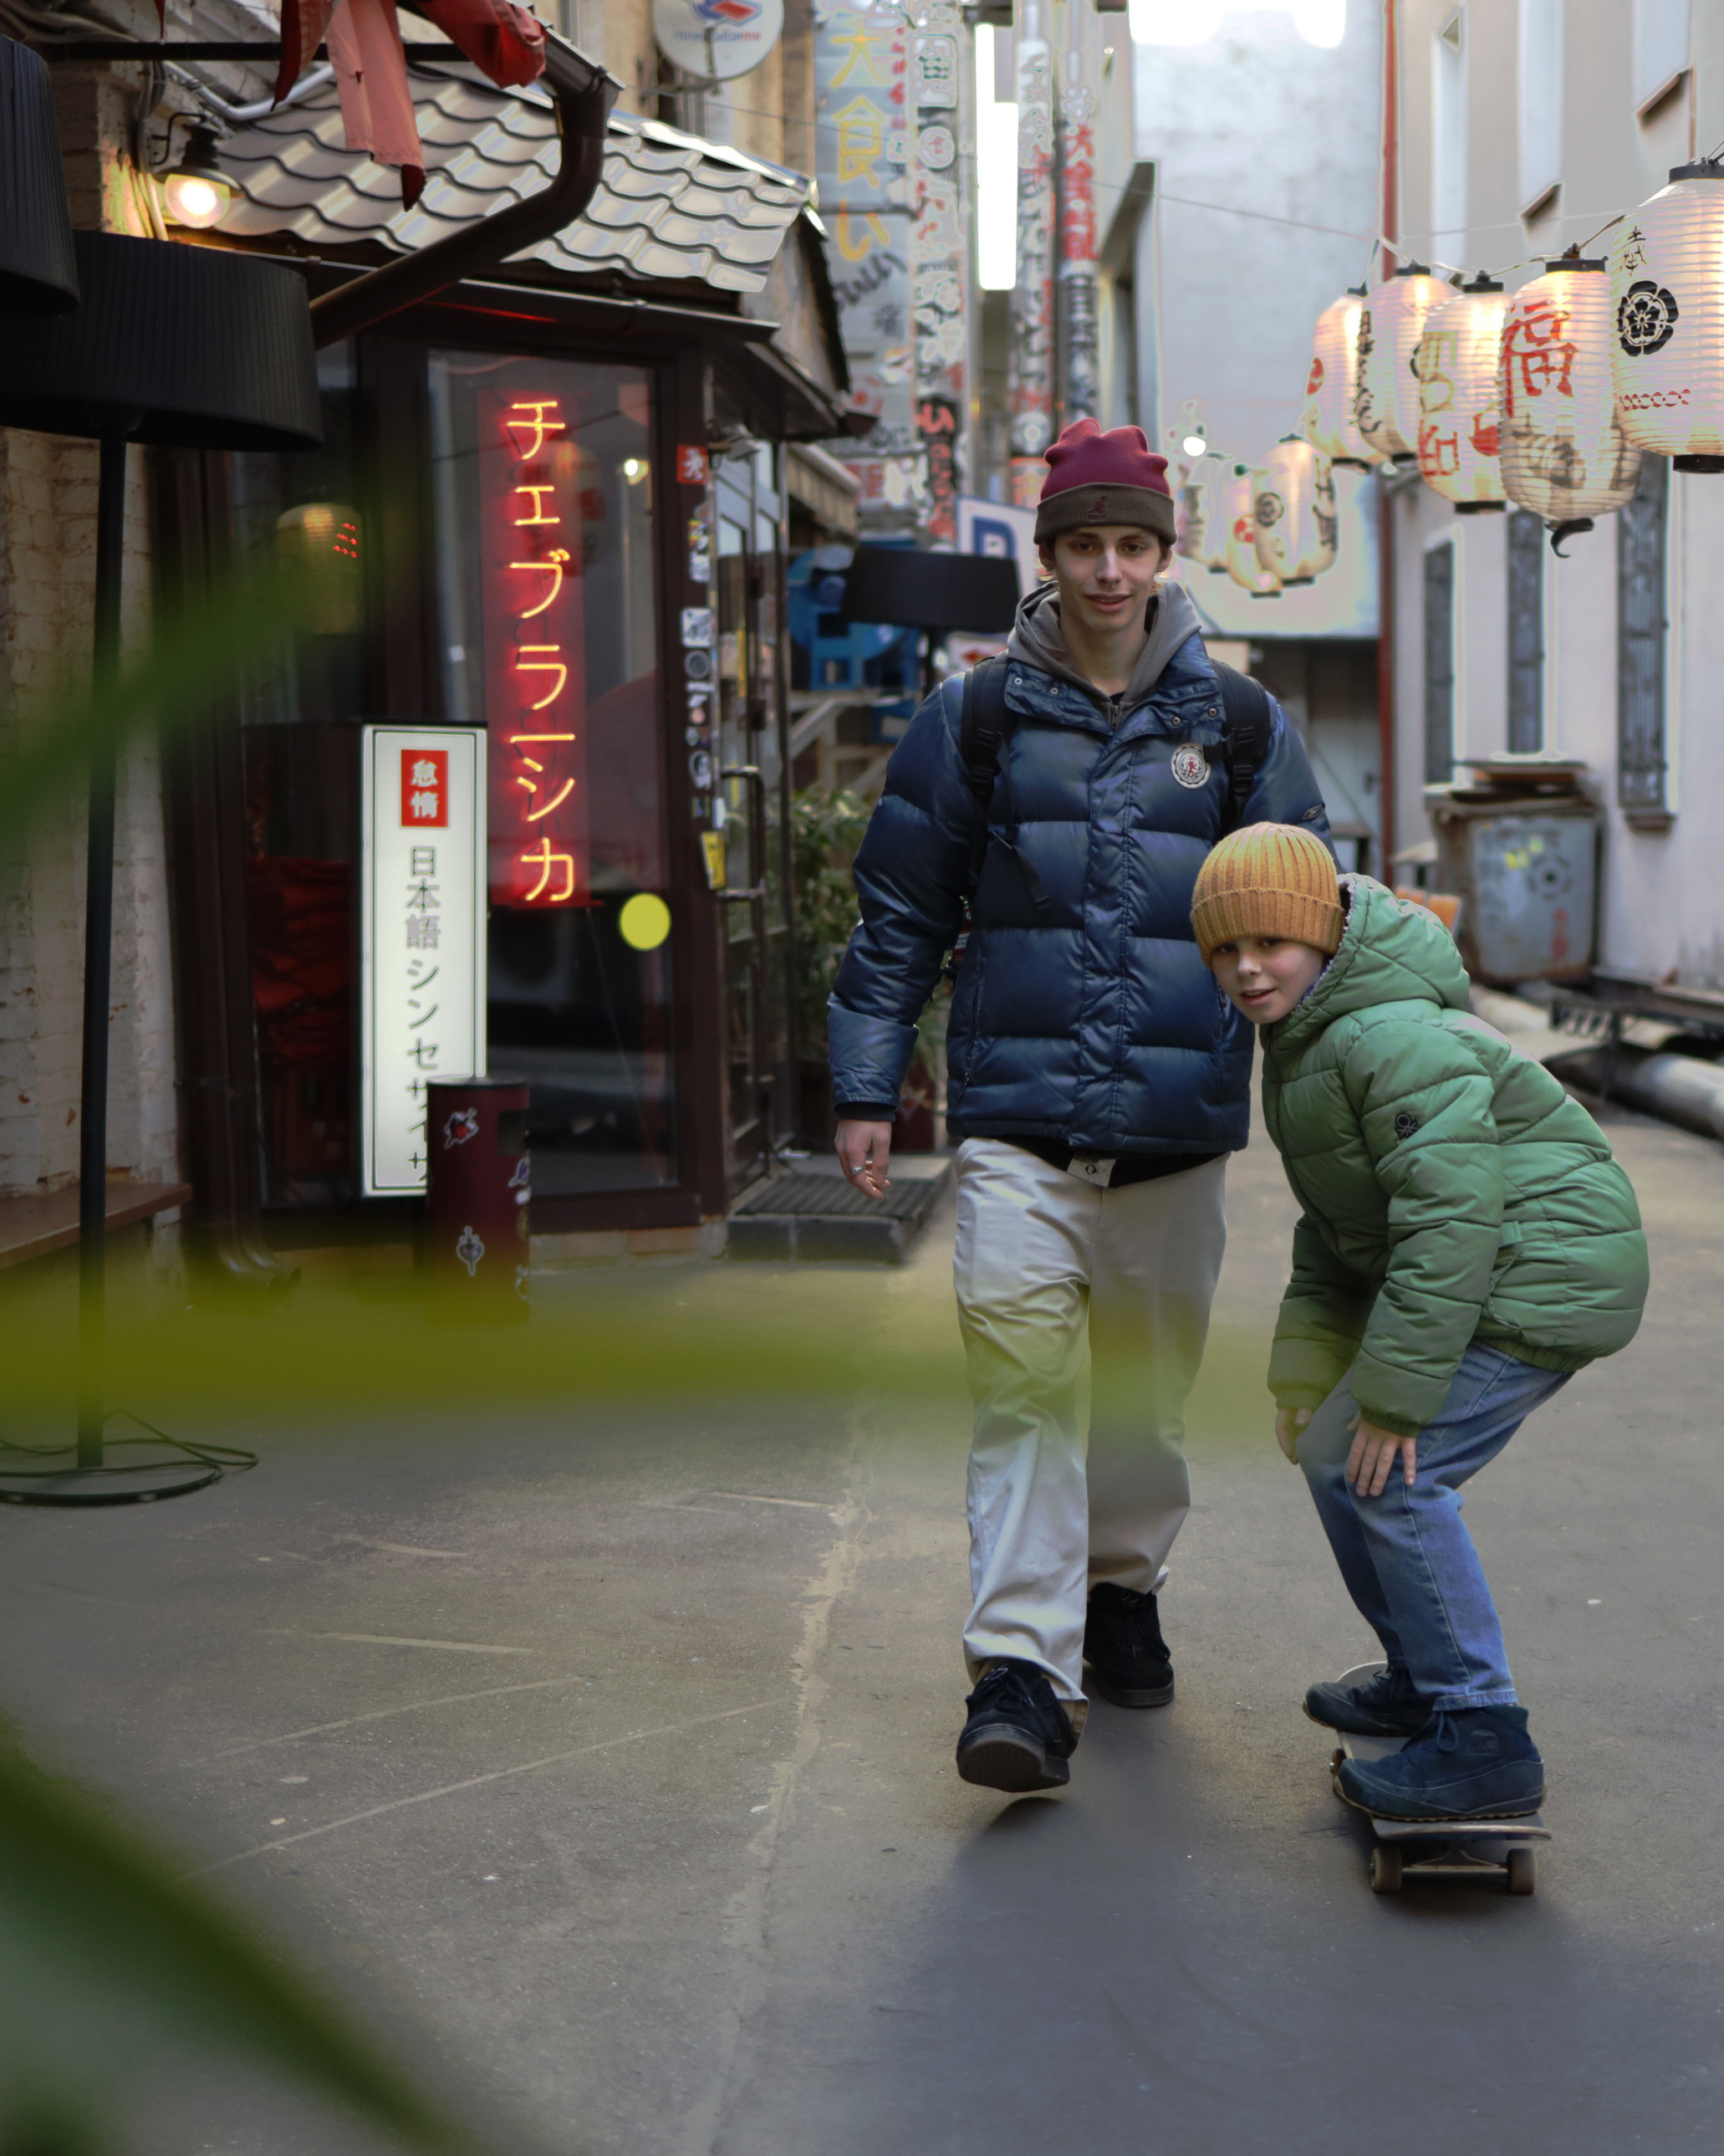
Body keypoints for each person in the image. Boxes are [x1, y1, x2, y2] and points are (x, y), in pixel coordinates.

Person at [827, 419, 1330, 1794]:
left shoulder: (1234, 721)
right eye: (1081, 545)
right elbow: (899, 909)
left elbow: (1308, 910)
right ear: (1045, 559)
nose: (1107, 569)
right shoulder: (978, 716)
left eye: (1131, 543)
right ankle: (1020, 1673)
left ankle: (1120, 1587)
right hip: (1013, 1131)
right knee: (1024, 1399)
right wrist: (866, 1085)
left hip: (1175, 1133)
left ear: (1166, 554)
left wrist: (1353, 1093)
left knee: (1142, 1408)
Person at [1191, 824, 1649, 1819]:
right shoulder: (1308, 1037)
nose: (1247, 967)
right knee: (1329, 1445)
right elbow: (1343, 1226)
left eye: (1269, 940)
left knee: (1398, 1469)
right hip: (1489, 1264)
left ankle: (1483, 1730)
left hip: (1542, 1267)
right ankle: (1421, 1672)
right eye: (1224, 949)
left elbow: (1448, 1225)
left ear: (1319, 933)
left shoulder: (1385, 1034)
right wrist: (1308, 1373)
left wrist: (1393, 1401)